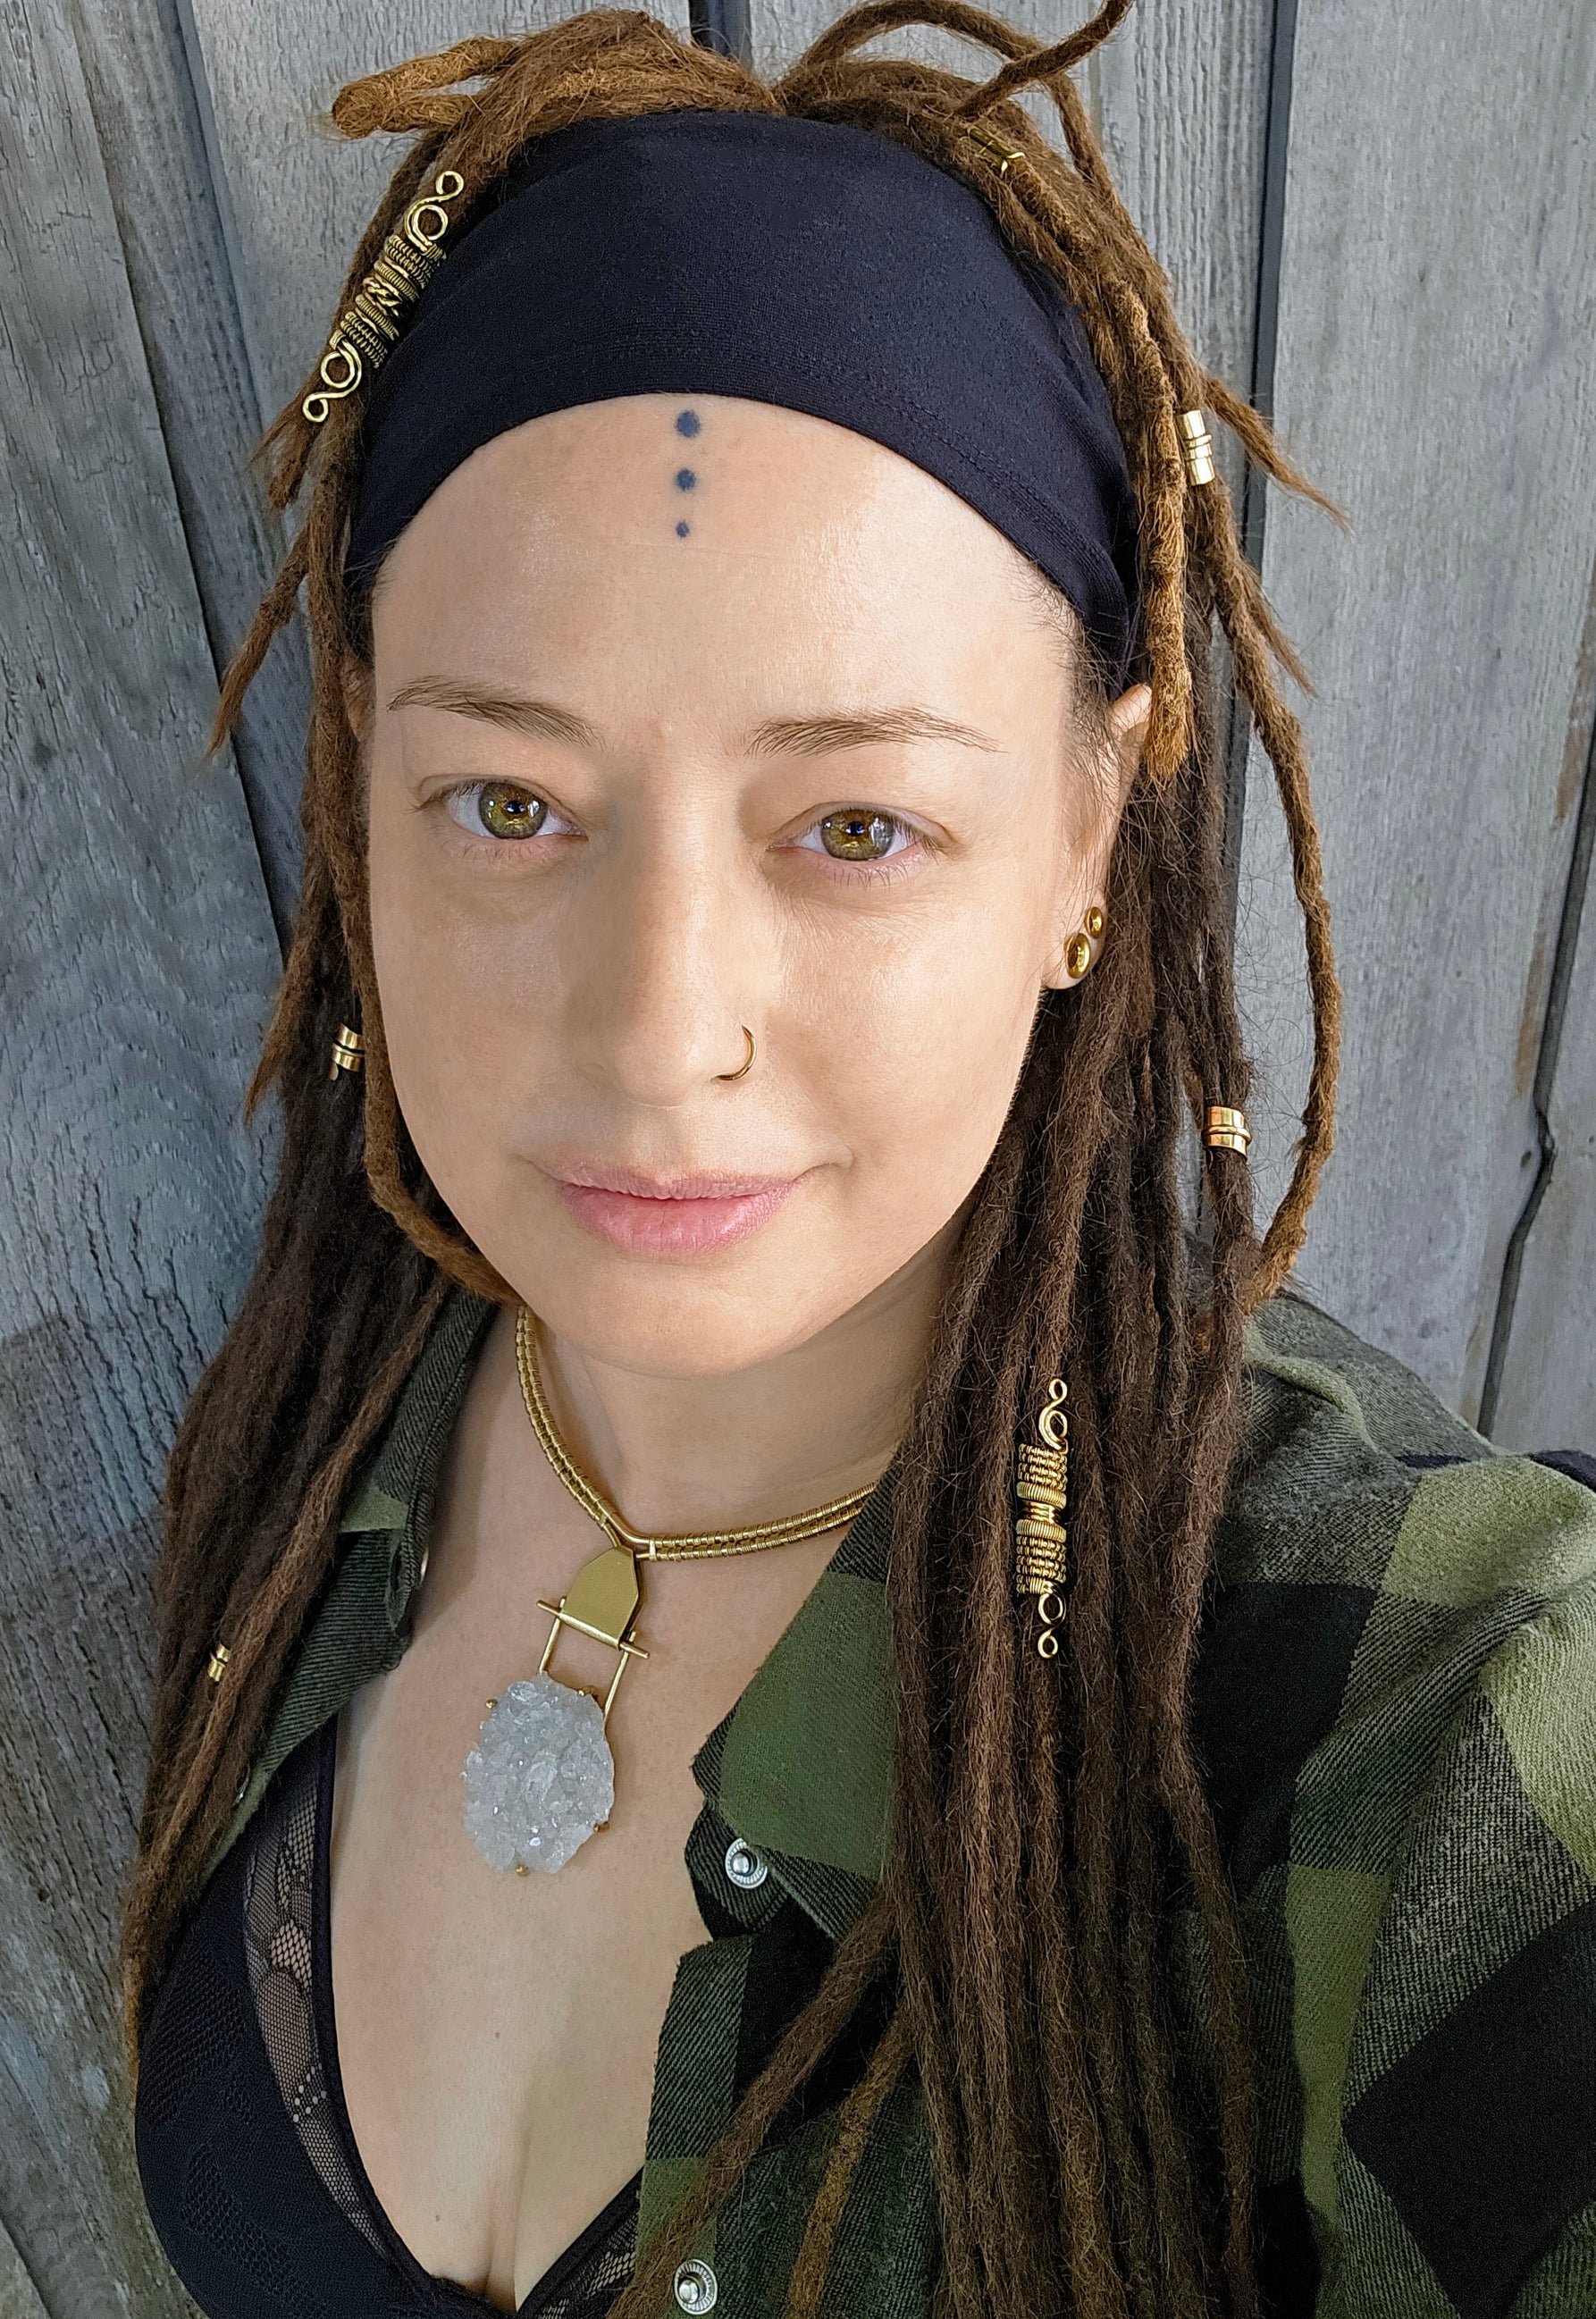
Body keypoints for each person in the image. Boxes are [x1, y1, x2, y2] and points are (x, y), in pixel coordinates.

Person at [122, 5, 1596, 2316]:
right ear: (358, 790)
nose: (656, 1025)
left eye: (853, 825)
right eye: (509, 802)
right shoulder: (327, 1437)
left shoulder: (1392, 1707)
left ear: (1087, 833)